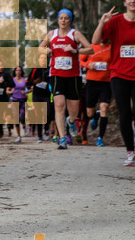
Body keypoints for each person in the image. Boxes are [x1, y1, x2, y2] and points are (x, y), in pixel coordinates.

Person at [39, 9, 93, 150]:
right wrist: (46, 50)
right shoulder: (51, 34)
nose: (63, 20)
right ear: (58, 20)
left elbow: (90, 49)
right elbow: (40, 48)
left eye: (66, 18)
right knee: (59, 104)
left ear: (70, 20)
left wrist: (76, 51)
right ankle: (62, 138)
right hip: (56, 75)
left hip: (73, 76)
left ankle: (70, 122)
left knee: (73, 110)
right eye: (61, 18)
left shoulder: (75, 34)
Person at [92, 0, 135, 166]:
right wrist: (102, 22)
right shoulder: (116, 22)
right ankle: (130, 152)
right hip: (119, 75)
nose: (133, 0)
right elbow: (95, 41)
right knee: (125, 114)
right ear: (125, 2)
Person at [79, 42, 112, 146]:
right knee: (89, 113)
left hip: (106, 83)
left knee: (104, 108)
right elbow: (79, 61)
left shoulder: (111, 48)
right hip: (91, 82)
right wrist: (88, 65)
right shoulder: (90, 47)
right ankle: (95, 115)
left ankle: (100, 138)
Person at [27, 65, 50, 143]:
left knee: (48, 112)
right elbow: (28, 82)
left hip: (46, 95)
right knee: (39, 115)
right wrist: (34, 82)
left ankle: (46, 129)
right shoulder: (35, 70)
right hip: (37, 95)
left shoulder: (49, 69)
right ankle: (40, 136)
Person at [11, 65, 28, 142]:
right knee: (16, 118)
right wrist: (10, 91)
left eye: (19, 70)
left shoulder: (25, 80)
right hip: (14, 99)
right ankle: (18, 136)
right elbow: (7, 90)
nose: (18, 72)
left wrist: (26, 92)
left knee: (22, 117)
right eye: (17, 70)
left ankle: (24, 126)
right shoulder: (12, 80)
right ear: (15, 72)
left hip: (23, 100)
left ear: (21, 72)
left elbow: (30, 88)